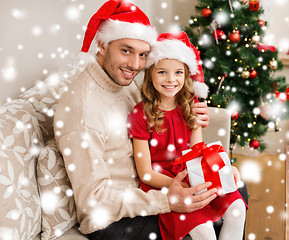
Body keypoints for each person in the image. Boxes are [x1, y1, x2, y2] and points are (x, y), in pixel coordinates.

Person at [53, 1, 243, 239]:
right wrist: (169, 200)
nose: (135, 65)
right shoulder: (82, 112)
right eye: (126, 50)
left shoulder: (120, 81)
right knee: (205, 220)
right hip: (116, 220)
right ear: (101, 44)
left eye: (142, 55)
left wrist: (211, 160)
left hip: (151, 189)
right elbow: (94, 200)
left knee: (232, 189)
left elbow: (161, 114)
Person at [127, 31, 247, 240]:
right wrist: (180, 187)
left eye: (178, 73)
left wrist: (223, 169)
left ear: (186, 75)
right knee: (204, 230)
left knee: (237, 207)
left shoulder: (190, 107)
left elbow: (198, 152)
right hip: (163, 183)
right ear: (150, 74)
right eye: (162, 72)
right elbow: (145, 173)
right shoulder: (140, 115)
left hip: (193, 173)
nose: (171, 79)